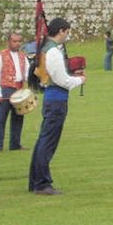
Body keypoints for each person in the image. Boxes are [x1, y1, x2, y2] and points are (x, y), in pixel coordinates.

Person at [29, 17, 85, 195]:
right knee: (48, 142)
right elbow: (61, 80)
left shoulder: (46, 49)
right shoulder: (53, 52)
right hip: (56, 100)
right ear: (61, 31)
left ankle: (36, 179)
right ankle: (42, 182)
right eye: (67, 32)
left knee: (44, 140)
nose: (67, 36)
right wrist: (79, 80)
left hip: (52, 98)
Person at [0, 32, 28, 152]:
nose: (17, 44)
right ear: (9, 42)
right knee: (0, 119)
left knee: (18, 118)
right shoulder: (0, 56)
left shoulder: (23, 56)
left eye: (19, 41)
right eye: (14, 41)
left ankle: (15, 144)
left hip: (19, 88)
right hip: (5, 88)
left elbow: (26, 72)